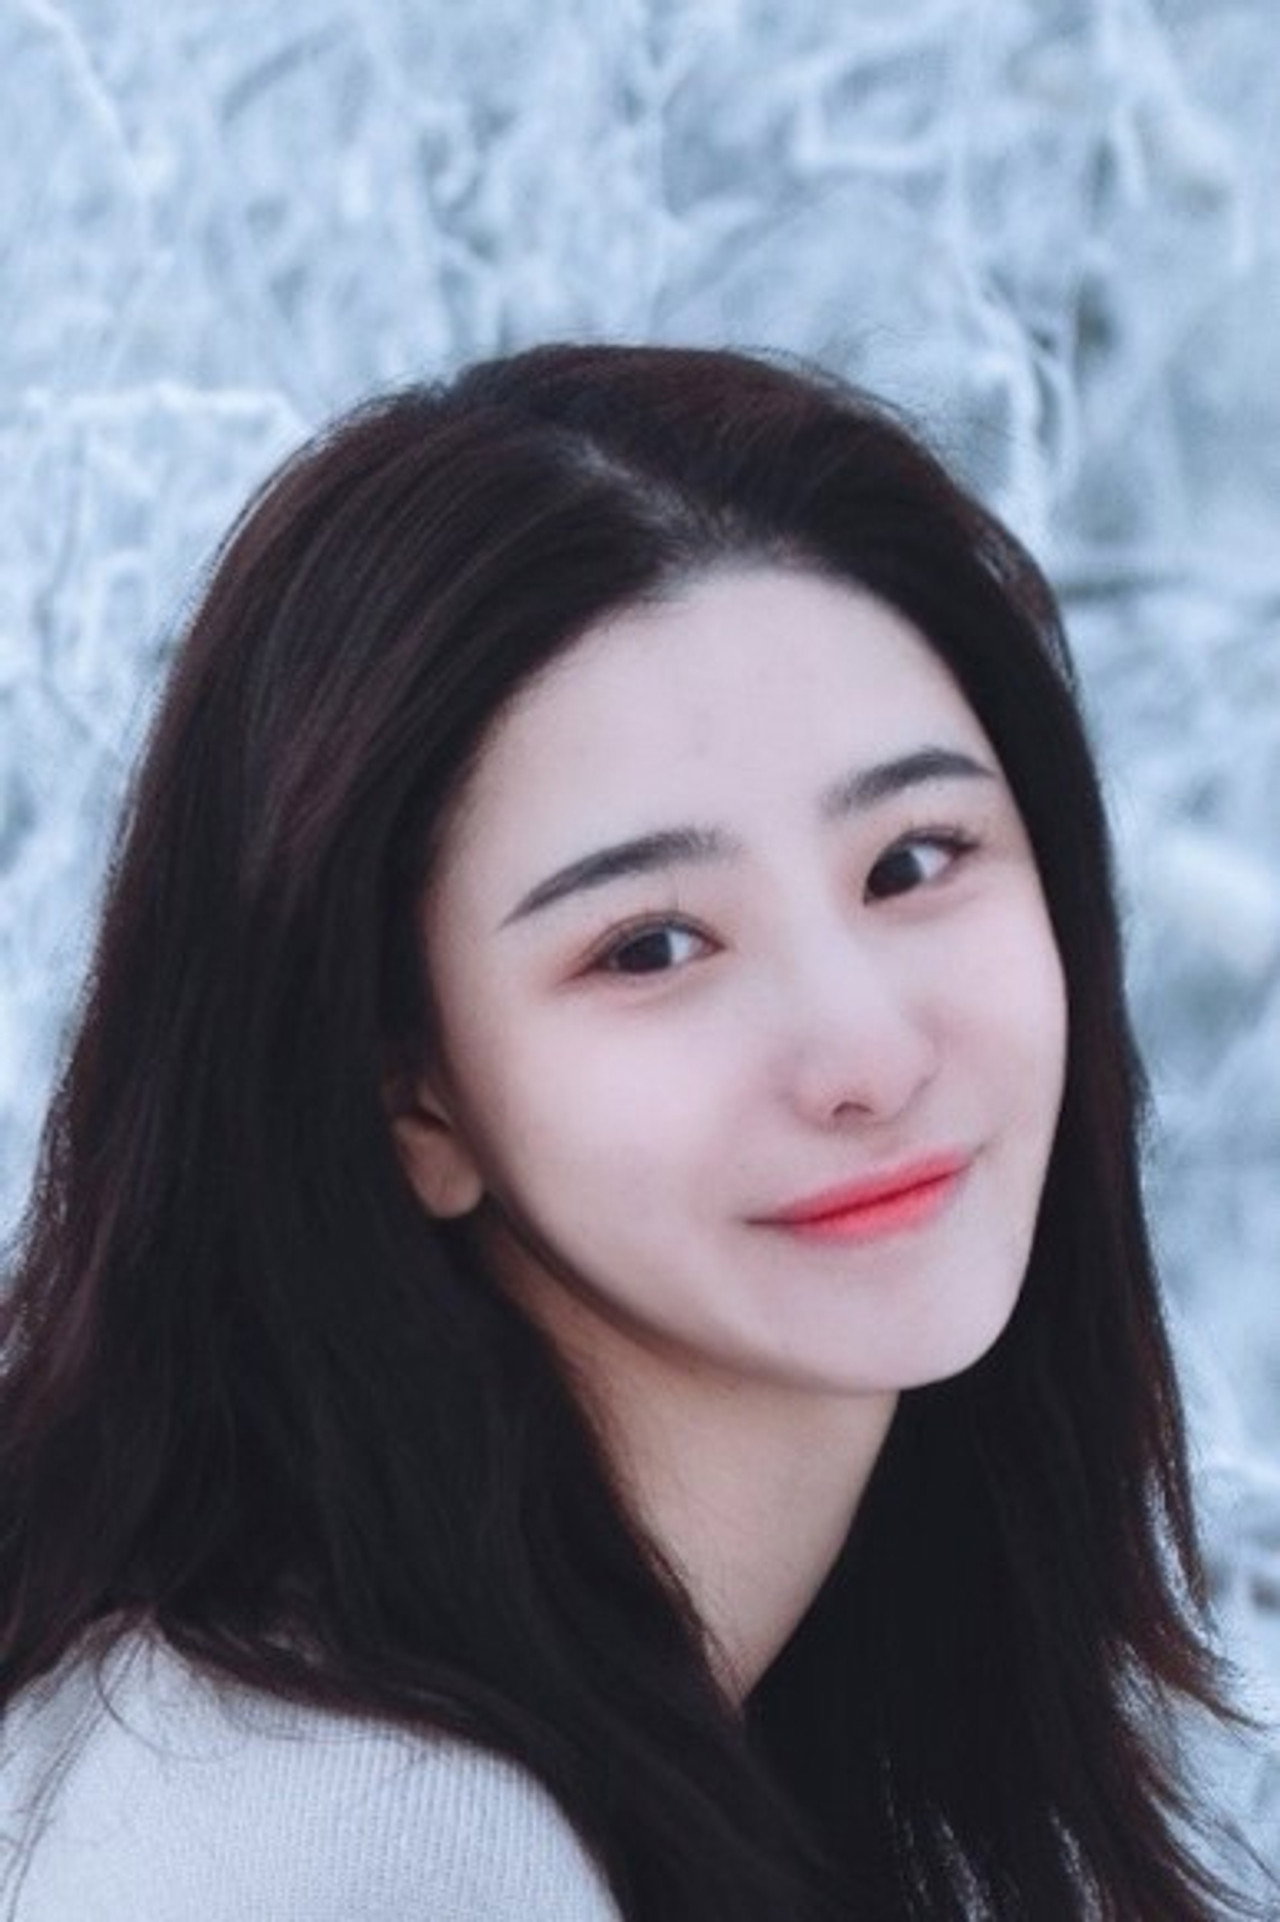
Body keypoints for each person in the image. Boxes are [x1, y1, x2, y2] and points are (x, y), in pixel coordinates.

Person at [0, 344, 1271, 1920]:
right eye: (651, 946)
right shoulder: (367, 1846)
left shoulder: (608, 1719)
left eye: (913, 860)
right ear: (411, 1096)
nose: (866, 1054)